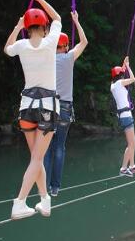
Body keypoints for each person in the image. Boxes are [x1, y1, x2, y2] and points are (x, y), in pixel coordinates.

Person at [4, 0, 61, 219]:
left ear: (27, 29)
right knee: (38, 158)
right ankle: (19, 202)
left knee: (35, 158)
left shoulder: (22, 45)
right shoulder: (50, 42)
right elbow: (57, 17)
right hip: (47, 108)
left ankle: (44, 199)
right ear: (45, 27)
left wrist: (17, 28)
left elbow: (7, 49)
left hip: (26, 107)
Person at [44, 11, 88, 197]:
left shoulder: (46, 57)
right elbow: (84, 42)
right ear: (66, 45)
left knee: (45, 148)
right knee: (59, 147)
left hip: (47, 105)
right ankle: (55, 188)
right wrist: (77, 22)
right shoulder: (69, 57)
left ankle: (42, 187)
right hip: (64, 107)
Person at [111, 57, 135, 177]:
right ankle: (124, 168)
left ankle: (132, 165)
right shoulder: (119, 83)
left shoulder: (113, 86)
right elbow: (133, 79)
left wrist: (123, 66)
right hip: (126, 116)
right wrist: (128, 66)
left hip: (123, 116)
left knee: (132, 143)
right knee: (132, 143)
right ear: (120, 76)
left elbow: (119, 76)